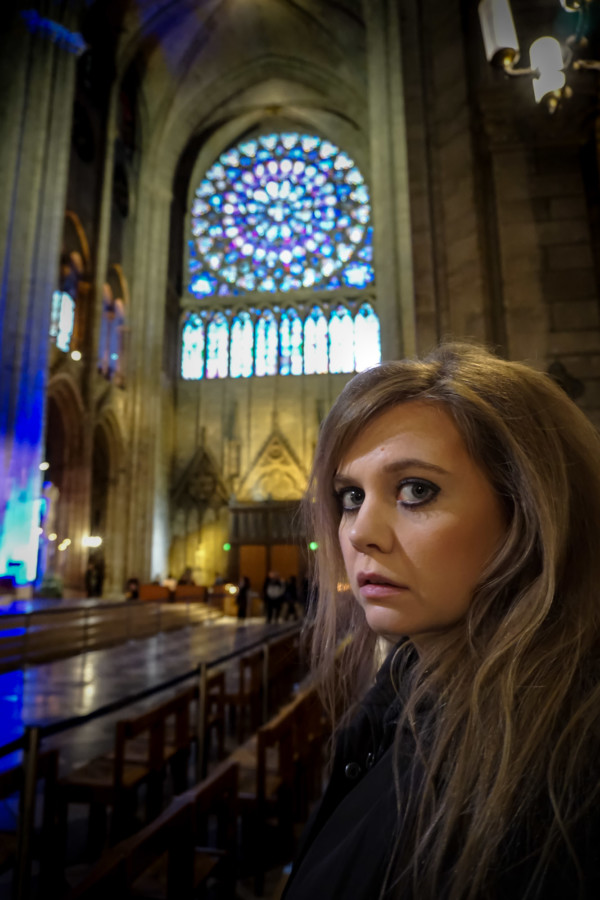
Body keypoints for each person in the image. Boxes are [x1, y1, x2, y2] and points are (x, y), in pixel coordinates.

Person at [282, 342, 600, 900]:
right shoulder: (403, 694)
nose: (358, 533)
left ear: (528, 512)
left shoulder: (561, 784)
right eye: (350, 495)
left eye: (415, 490)